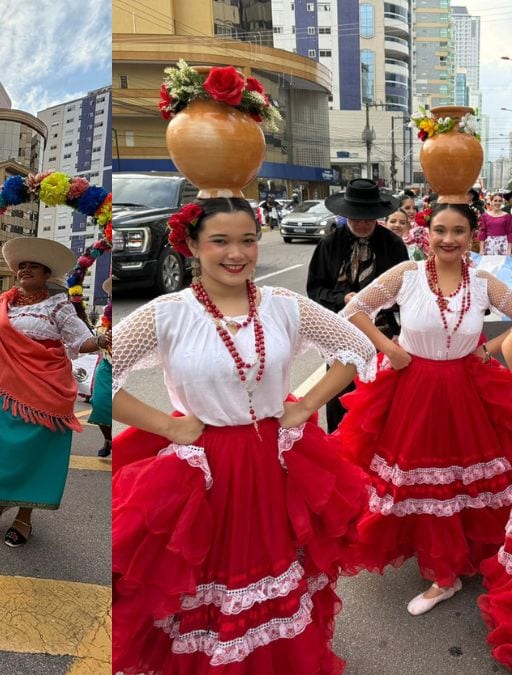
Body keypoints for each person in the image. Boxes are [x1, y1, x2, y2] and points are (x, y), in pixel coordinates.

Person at [109, 197, 376, 673]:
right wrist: (169, 425)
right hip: (203, 471)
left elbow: (355, 347)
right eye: (220, 241)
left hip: (275, 463)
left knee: (274, 578)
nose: (237, 253)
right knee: (204, 586)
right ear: (191, 245)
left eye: (248, 240)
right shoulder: (165, 314)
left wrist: (308, 404)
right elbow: (101, 376)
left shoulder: (286, 306)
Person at [338, 202, 512, 616]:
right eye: (440, 230)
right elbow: (355, 308)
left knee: (461, 479)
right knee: (423, 479)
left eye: (458, 231)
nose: (449, 239)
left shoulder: (484, 283)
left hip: (467, 390)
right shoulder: (407, 275)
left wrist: (489, 348)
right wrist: (389, 348)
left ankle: (455, 565)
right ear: (426, 234)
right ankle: (442, 570)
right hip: (413, 389)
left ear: (474, 235)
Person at [0, 238, 104, 546]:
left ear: (47, 275)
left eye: (33, 266)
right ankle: (3, 498)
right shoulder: (3, 304)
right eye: (22, 266)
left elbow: (80, 341)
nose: (25, 270)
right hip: (5, 390)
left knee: (34, 457)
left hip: (46, 392)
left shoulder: (59, 306)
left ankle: (25, 516)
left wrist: (101, 341)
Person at [306, 178, 409, 431]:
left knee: (382, 397)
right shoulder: (329, 244)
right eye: (356, 219)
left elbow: (406, 290)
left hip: (382, 334)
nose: (362, 224)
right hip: (340, 333)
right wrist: (344, 299)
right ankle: (338, 450)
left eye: (368, 219)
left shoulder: (393, 244)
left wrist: (376, 304)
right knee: (340, 394)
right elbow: (316, 289)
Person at [90, 277, 112, 458]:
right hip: (107, 364)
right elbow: (97, 337)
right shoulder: (104, 317)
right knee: (100, 404)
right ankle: (108, 439)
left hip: (127, 365)